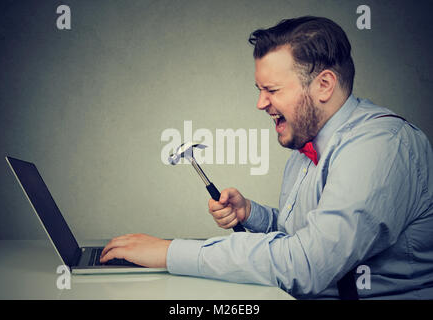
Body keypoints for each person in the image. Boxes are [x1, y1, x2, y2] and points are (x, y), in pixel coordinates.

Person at [100, 16, 433, 299]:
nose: (261, 103)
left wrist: (170, 252)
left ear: (324, 85)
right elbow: (304, 236)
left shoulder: (381, 146)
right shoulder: (306, 143)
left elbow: (307, 265)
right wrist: (251, 214)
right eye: (259, 90)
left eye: (272, 90)